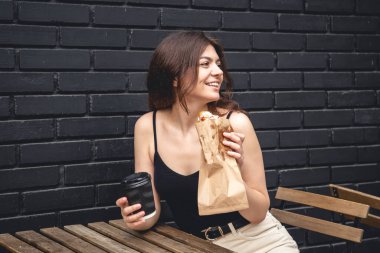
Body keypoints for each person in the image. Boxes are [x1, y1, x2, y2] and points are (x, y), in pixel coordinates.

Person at [116, 31, 299, 253]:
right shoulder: (147, 127)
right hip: (196, 246)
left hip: (258, 242)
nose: (218, 72)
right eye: (205, 64)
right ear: (174, 76)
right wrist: (136, 217)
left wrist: (232, 169)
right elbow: (150, 211)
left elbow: (258, 213)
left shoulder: (235, 123)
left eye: (218, 64)